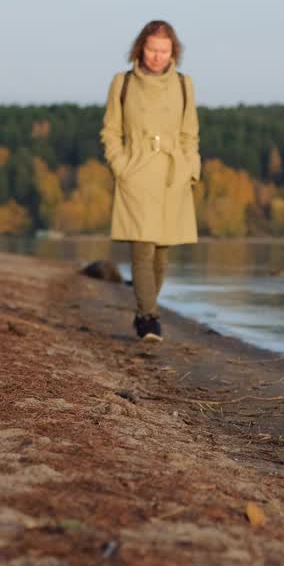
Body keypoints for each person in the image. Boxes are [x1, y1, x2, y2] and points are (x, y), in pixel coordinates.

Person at [100, 20, 201, 342]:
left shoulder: (185, 85)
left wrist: (191, 168)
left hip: (173, 174)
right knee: (141, 247)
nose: (157, 56)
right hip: (137, 170)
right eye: (152, 49)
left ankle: (145, 310)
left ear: (174, 52)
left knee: (161, 253)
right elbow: (110, 130)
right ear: (140, 48)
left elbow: (190, 133)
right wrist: (120, 165)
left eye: (164, 50)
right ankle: (149, 319)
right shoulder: (123, 82)